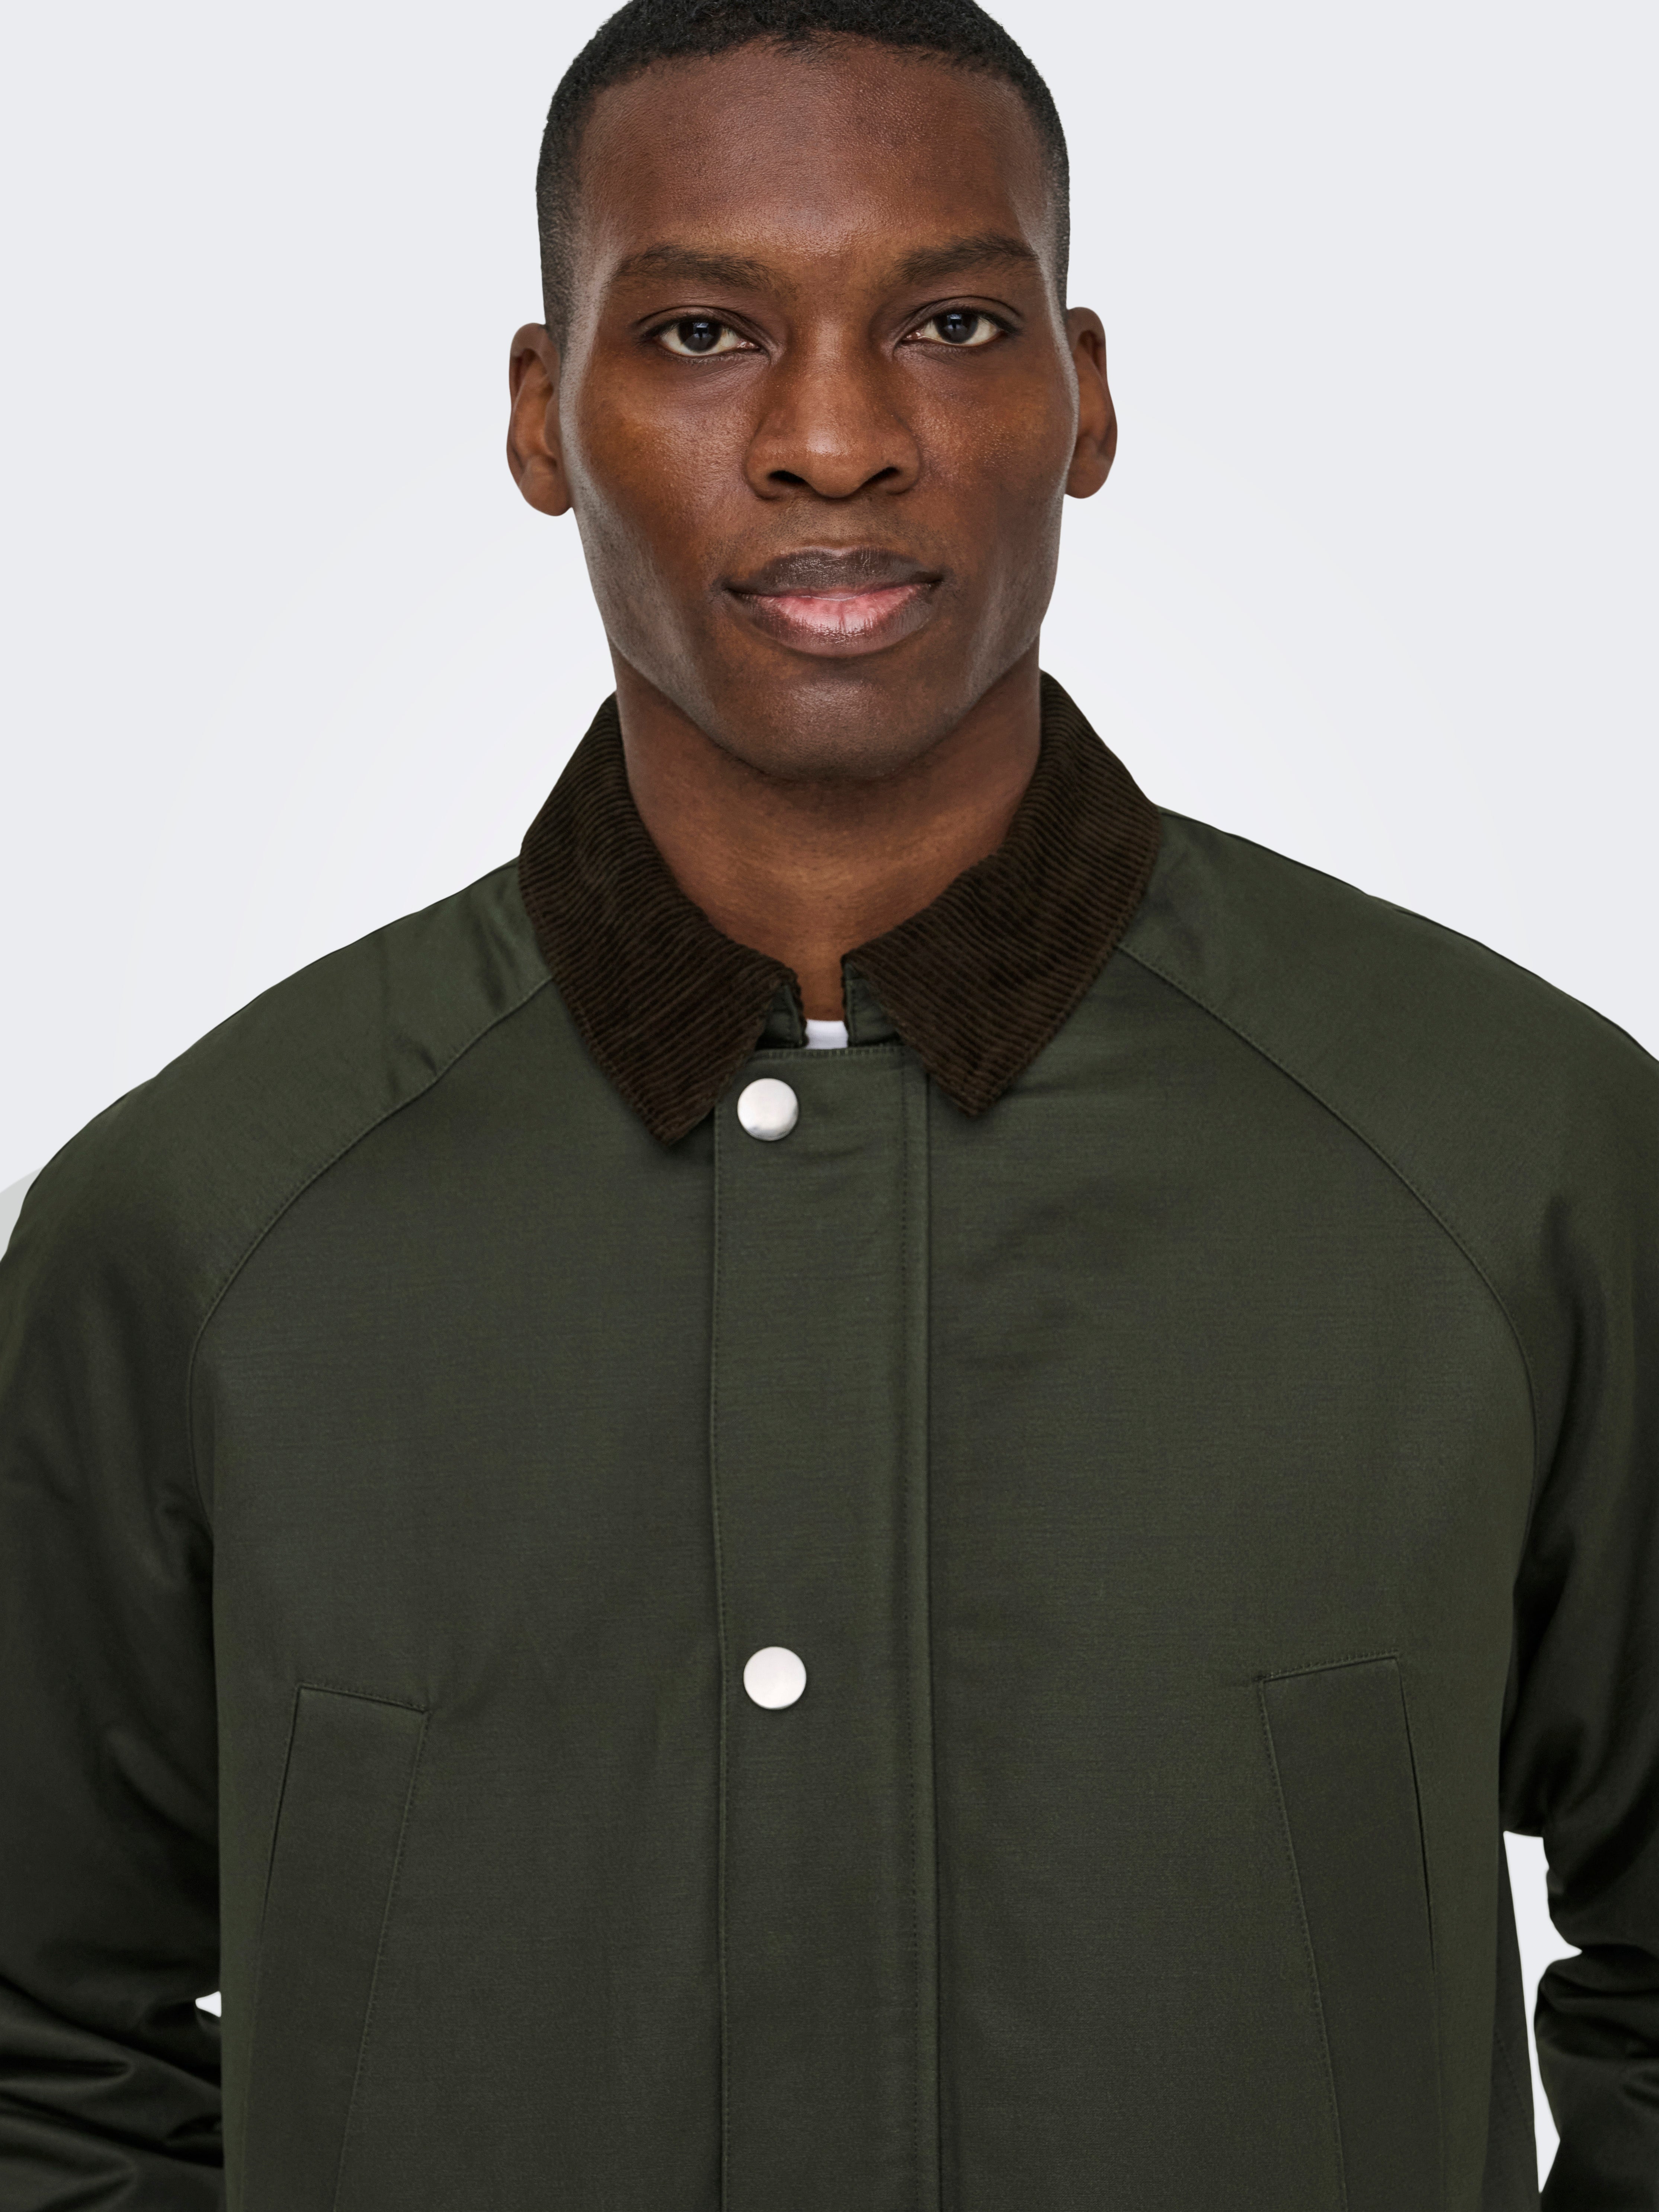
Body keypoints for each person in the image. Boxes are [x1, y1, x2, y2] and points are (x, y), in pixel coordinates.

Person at [0, 0, 1654, 2203]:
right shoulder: (197, 1230)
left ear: (1084, 397)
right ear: (540, 415)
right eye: (702, 333)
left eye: (952, 324)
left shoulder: (1521, 1163)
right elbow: (43, 2060)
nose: (836, 439)